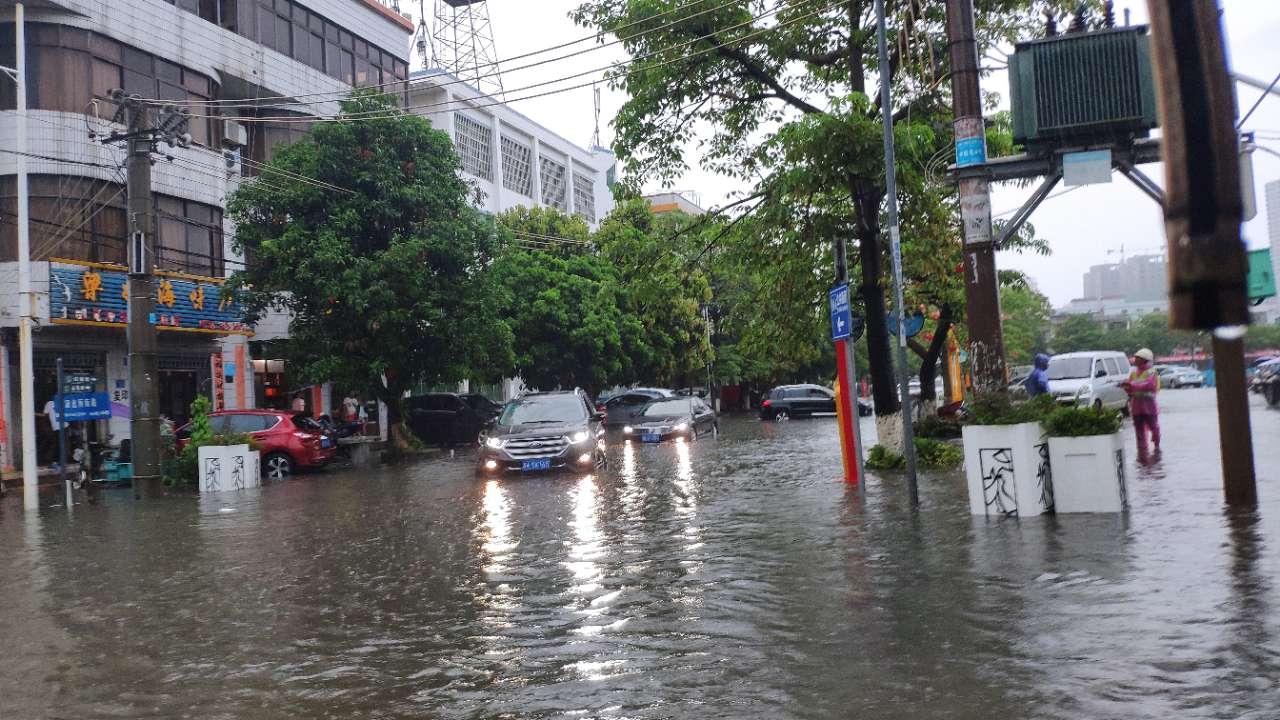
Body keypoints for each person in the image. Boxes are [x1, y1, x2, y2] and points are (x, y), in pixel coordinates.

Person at [1122, 347, 1161, 460]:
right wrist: (1125, 387)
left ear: (1145, 359)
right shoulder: (1133, 373)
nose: (1135, 360)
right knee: (1139, 430)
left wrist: (1131, 385)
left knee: (1154, 428)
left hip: (1149, 407)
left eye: (1138, 358)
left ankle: (1157, 447)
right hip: (1136, 407)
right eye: (1135, 358)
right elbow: (1130, 388)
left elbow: (1149, 385)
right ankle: (1142, 452)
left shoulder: (1152, 372)